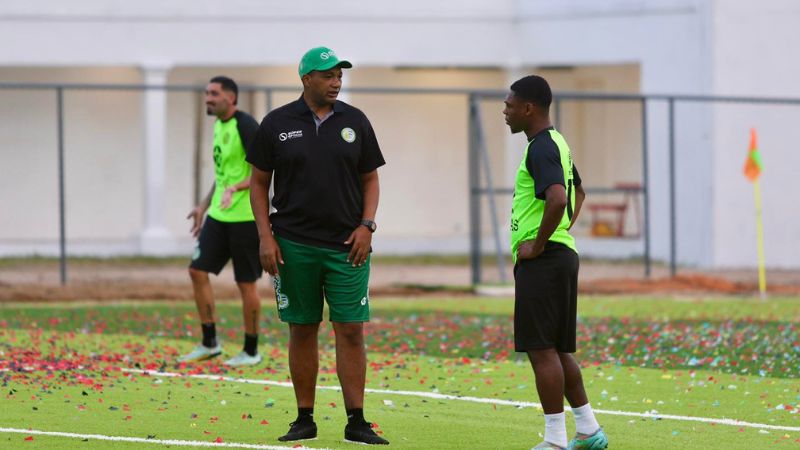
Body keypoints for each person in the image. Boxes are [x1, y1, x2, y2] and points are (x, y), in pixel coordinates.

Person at [247, 47, 388, 445]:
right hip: (293, 246)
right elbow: (259, 184)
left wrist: (367, 226)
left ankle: (356, 421)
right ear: (306, 78)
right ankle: (304, 418)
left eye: (340, 75)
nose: (336, 82)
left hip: (348, 246)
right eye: (328, 75)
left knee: (351, 331)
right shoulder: (276, 123)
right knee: (302, 330)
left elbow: (370, 180)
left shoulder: (355, 121)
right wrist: (265, 236)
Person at [503, 75, 608, 450]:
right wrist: (561, 233)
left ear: (528, 108)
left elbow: (560, 198)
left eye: (510, 104)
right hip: (561, 255)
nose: (505, 110)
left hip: (545, 260)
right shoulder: (556, 142)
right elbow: (579, 191)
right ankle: (589, 429)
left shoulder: (541, 147)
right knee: (557, 349)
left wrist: (539, 243)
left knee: (541, 349)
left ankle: (555, 441)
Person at [179, 76, 263, 367]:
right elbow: (222, 176)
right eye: (206, 93)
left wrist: (235, 189)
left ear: (231, 97)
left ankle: (251, 350)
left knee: (245, 283)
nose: (208, 99)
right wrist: (203, 205)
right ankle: (209, 342)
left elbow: (262, 173)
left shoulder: (247, 125)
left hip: (245, 217)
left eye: (214, 94)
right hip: (218, 214)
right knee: (196, 271)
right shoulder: (218, 126)